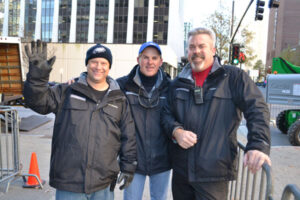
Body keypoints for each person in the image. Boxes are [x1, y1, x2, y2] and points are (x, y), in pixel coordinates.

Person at [161, 27, 271, 200]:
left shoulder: (233, 77)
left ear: (213, 50)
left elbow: (256, 107)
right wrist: (177, 131)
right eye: (191, 47)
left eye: (201, 46)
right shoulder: (177, 84)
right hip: (182, 173)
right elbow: (166, 115)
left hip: (214, 175)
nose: (196, 51)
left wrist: (258, 144)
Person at [23, 41, 137, 200]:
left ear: (109, 67)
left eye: (103, 63)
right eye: (94, 62)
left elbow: (128, 136)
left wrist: (128, 166)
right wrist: (37, 78)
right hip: (69, 183)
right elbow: (38, 102)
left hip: (103, 184)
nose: (98, 66)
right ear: (87, 64)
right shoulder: (67, 91)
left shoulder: (119, 99)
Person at [117, 42, 171, 200]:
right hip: (134, 162)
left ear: (161, 62)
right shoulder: (123, 85)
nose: (150, 62)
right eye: (145, 57)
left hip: (162, 160)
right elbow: (99, 84)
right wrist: (81, 78)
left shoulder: (171, 87)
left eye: (154, 58)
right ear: (138, 60)